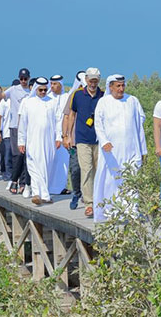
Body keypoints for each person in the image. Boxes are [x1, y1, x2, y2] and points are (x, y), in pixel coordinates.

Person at [93, 74, 147, 222]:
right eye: (118, 86)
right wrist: (104, 141)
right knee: (111, 180)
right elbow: (98, 124)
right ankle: (112, 211)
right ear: (111, 87)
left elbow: (140, 122)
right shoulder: (103, 102)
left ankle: (131, 211)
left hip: (132, 149)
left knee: (131, 178)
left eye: (123, 85)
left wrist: (143, 149)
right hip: (111, 151)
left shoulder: (132, 100)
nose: (121, 89)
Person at [65, 67, 103, 217]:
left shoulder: (103, 95)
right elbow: (72, 115)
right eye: (91, 80)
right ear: (86, 80)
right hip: (82, 139)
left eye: (95, 81)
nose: (93, 83)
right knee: (86, 170)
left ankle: (100, 200)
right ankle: (89, 203)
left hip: (99, 139)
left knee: (99, 170)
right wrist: (68, 135)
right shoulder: (78, 95)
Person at [18, 77, 61, 205]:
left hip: (49, 142)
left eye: (45, 90)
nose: (43, 92)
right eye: (40, 90)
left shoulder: (52, 102)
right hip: (32, 141)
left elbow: (58, 121)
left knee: (46, 167)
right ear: (36, 89)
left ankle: (44, 193)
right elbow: (23, 124)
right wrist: (21, 141)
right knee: (33, 166)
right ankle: (38, 194)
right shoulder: (27, 103)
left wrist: (59, 137)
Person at [3, 68, 32, 195]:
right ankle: (14, 180)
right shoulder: (13, 90)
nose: (24, 81)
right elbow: (1, 96)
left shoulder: (32, 91)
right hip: (15, 126)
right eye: (22, 79)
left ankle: (23, 183)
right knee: (17, 155)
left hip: (29, 128)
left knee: (26, 156)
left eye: (26, 79)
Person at [62, 70, 86, 209]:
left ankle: (88, 196)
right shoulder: (73, 96)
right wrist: (65, 136)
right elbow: (66, 116)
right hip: (75, 140)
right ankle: (77, 193)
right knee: (75, 169)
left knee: (89, 169)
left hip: (90, 139)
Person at [47, 74, 70, 195]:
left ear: (60, 84)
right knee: (50, 161)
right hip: (49, 136)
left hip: (63, 135)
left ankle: (60, 187)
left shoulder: (67, 97)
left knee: (63, 162)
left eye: (55, 84)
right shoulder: (47, 98)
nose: (52, 86)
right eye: (51, 84)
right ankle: (48, 187)